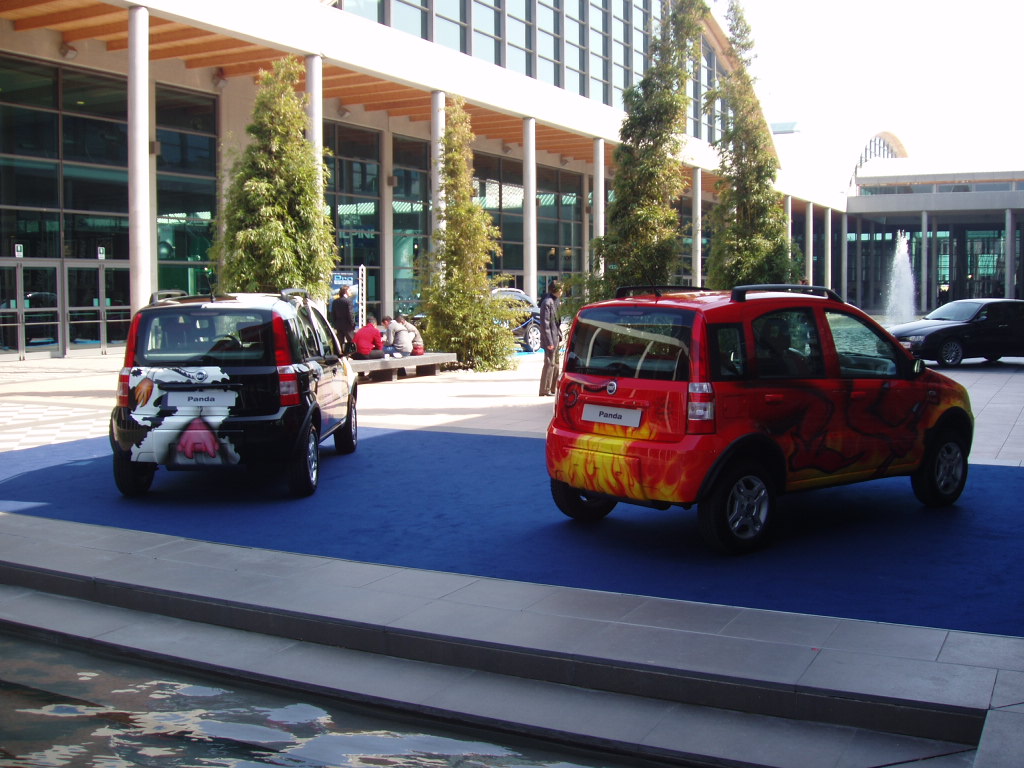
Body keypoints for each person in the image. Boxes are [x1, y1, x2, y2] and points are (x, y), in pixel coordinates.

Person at [538, 279, 563, 396]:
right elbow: (545, 324)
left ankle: (554, 388)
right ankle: (545, 389)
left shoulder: (556, 301)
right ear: (556, 290)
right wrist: (549, 341)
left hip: (556, 336)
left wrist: (559, 334)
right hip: (550, 337)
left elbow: (557, 321)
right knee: (549, 363)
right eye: (561, 288)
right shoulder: (547, 302)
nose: (562, 291)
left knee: (556, 363)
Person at [331, 285, 355, 349]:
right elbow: (350, 313)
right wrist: (352, 323)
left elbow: (333, 314)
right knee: (350, 341)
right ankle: (349, 354)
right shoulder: (348, 301)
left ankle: (341, 354)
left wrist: (334, 324)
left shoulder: (335, 301)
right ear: (345, 291)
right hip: (348, 325)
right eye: (349, 290)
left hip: (338, 325)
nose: (351, 292)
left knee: (340, 342)